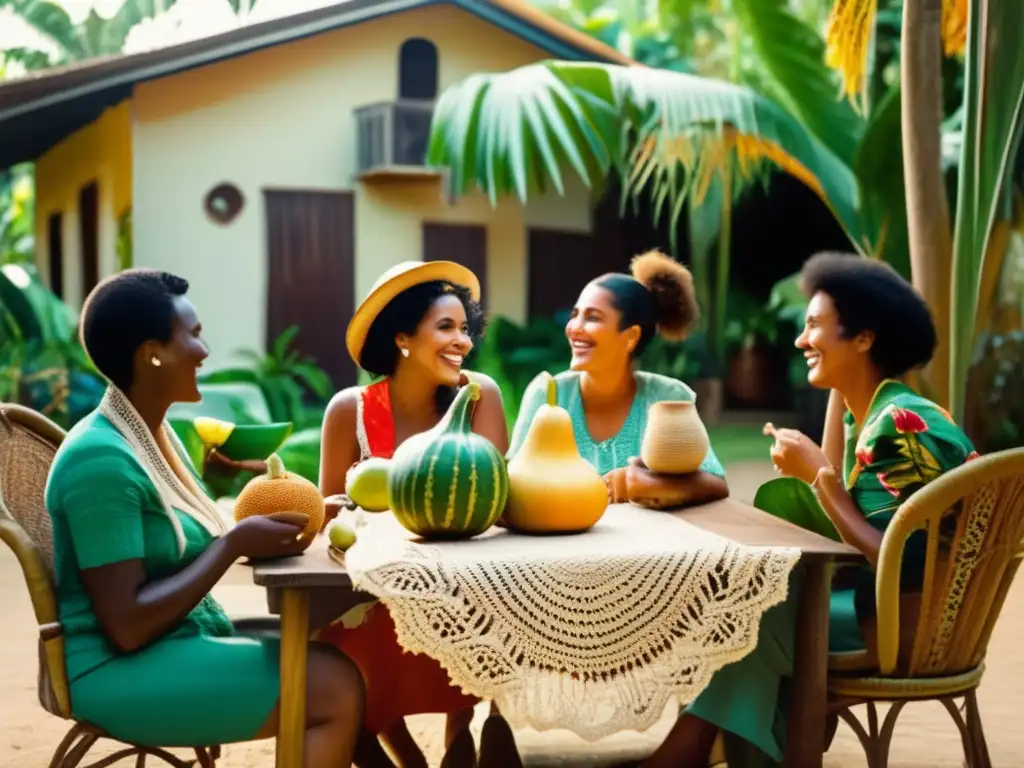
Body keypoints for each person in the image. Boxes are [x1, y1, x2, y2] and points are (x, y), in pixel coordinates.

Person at [636, 252, 979, 767]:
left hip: (899, 630)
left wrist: (819, 479)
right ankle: (716, 749)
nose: (800, 340)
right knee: (750, 611)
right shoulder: (889, 411)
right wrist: (840, 397)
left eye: (815, 325)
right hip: (900, 616)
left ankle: (693, 751)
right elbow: (857, 503)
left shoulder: (900, 428)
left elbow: (899, 561)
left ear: (864, 337)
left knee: (737, 617)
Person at [45, 269, 371, 768]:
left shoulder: (149, 434)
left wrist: (297, 509)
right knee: (334, 686)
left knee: (335, 650)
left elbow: (179, 533)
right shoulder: (101, 461)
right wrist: (234, 544)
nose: (204, 351)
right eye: (192, 336)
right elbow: (126, 626)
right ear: (151, 353)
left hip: (166, 643)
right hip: (115, 671)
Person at [318, 261, 509, 768]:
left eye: (464, 328)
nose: (462, 341)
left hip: (462, 584)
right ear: (402, 338)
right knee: (344, 640)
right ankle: (400, 753)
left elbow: (492, 500)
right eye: (445, 327)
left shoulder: (479, 395)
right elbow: (328, 512)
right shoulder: (349, 409)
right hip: (375, 589)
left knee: (482, 617)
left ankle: (459, 740)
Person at [508, 249, 729, 508]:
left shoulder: (667, 397)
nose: (574, 328)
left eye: (592, 317)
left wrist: (650, 485)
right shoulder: (548, 395)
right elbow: (511, 486)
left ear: (630, 337)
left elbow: (716, 482)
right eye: (575, 314)